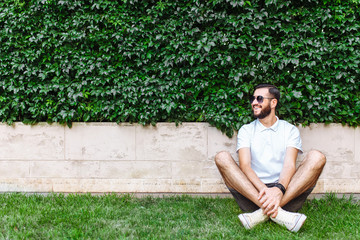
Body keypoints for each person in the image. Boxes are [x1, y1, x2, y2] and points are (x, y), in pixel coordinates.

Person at [215, 83, 326, 232]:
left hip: (286, 192)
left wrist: (278, 190)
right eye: (253, 99)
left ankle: (262, 214)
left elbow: (289, 166)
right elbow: (245, 166)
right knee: (221, 157)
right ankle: (278, 214)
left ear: (273, 102)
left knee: (317, 157)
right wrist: (265, 192)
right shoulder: (246, 130)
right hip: (253, 194)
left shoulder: (289, 130)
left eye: (259, 99)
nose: (254, 102)